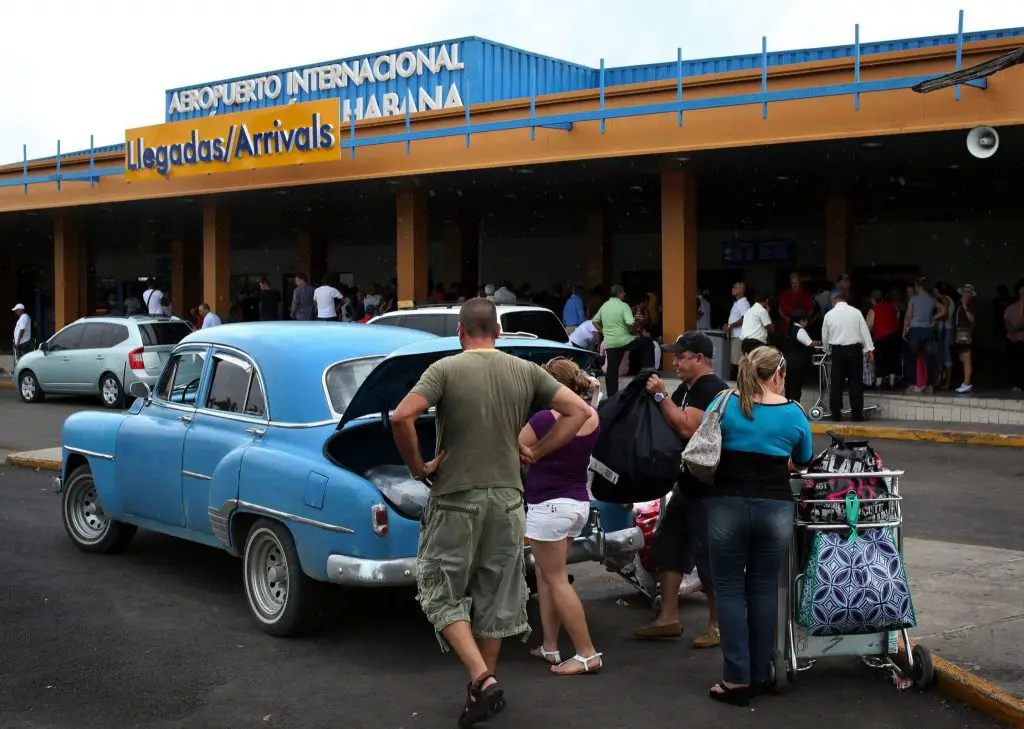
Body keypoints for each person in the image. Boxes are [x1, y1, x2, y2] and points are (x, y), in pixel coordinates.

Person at [391, 298, 591, 726]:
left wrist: (418, 467)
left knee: (440, 590)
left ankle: (482, 678)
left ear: (461, 331)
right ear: (498, 332)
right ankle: (481, 688)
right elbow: (579, 411)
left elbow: (401, 417)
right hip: (508, 500)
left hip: (455, 497)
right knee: (497, 597)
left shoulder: (444, 369)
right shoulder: (524, 370)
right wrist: (535, 451)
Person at [705, 347, 813, 706]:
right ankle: (760, 673)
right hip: (775, 508)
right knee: (764, 590)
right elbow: (802, 461)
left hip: (726, 506)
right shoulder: (793, 413)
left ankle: (736, 680)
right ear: (778, 372)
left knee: (730, 590)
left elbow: (705, 446)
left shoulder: (723, 404)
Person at [633, 332, 729, 649]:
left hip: (708, 490)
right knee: (667, 547)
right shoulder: (688, 389)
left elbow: (687, 427)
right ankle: (668, 618)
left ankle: (717, 626)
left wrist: (662, 396)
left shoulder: (711, 389)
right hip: (685, 485)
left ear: (699, 358)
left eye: (681, 356)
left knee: (709, 558)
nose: (676, 362)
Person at [519, 358, 603, 675]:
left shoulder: (543, 419)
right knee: (547, 576)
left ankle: (586, 653)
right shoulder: (591, 416)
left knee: (555, 579)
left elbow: (516, 448)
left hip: (548, 506)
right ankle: (550, 646)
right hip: (577, 503)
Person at [822, 291, 874, 422]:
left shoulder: (829, 315)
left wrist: (827, 350)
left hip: (837, 351)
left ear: (834, 301)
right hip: (854, 350)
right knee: (855, 382)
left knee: (836, 383)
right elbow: (864, 331)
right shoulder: (856, 312)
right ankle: (856, 415)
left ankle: (836, 414)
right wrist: (869, 349)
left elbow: (825, 336)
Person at [593, 285, 643, 397]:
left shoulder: (604, 306)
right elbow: (631, 323)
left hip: (610, 343)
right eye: (623, 292)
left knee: (612, 370)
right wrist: (636, 331)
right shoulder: (624, 306)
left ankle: (612, 397)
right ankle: (647, 371)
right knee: (646, 344)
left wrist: (604, 332)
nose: (624, 294)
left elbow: (595, 321)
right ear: (619, 293)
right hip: (625, 341)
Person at [903, 277, 946, 394]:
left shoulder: (913, 298)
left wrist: (904, 331)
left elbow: (908, 315)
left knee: (912, 358)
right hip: (927, 330)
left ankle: (911, 385)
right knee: (930, 359)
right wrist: (933, 318)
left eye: (916, 286)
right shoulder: (932, 299)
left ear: (919, 286)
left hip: (915, 330)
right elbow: (943, 309)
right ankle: (930, 385)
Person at [866, 289, 901, 390]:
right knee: (893, 359)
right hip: (894, 336)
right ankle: (892, 382)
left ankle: (879, 383)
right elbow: (897, 320)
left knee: (881, 360)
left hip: (881, 338)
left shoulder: (873, 310)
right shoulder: (892, 307)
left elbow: (869, 326)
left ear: (872, 300)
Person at [782, 310, 814, 402]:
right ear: (802, 321)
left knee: (788, 387)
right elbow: (809, 343)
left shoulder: (790, 329)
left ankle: (786, 406)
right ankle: (795, 408)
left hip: (788, 362)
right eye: (806, 320)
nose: (807, 323)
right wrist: (821, 342)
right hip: (797, 364)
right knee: (795, 389)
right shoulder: (800, 330)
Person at [954, 285, 977, 394]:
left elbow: (972, 319)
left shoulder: (970, 305)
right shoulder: (960, 305)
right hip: (960, 333)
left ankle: (967, 383)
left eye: (966, 292)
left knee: (967, 357)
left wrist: (965, 306)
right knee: (963, 357)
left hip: (966, 334)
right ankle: (965, 382)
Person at [725, 282, 750, 370]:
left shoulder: (743, 303)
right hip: (735, 335)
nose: (732, 289)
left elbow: (745, 319)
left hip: (739, 336)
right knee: (736, 361)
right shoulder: (737, 303)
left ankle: (740, 382)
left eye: (735, 287)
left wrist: (730, 326)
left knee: (739, 362)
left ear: (741, 290)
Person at [1005, 286, 1024, 393]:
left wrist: (1012, 331)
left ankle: (1017, 384)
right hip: (1017, 340)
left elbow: (1008, 326)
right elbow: (1009, 326)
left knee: (1016, 364)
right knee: (1017, 364)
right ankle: (1017, 384)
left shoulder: (1009, 308)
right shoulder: (1011, 308)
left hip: (1015, 339)